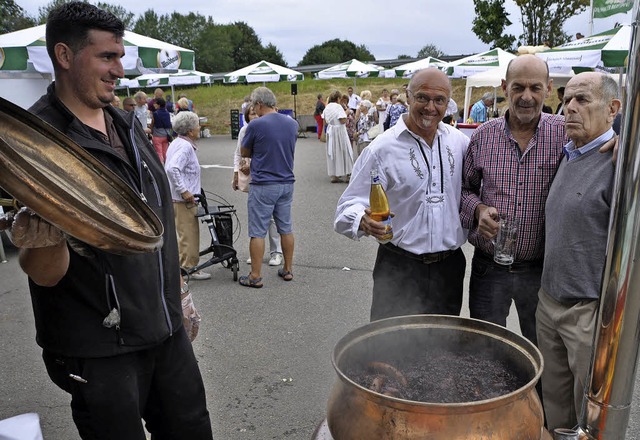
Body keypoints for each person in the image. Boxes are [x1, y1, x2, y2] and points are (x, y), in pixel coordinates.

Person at [0, 3, 213, 438]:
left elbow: (155, 219)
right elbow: (45, 275)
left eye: (120, 56)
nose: (120, 69)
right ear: (64, 55)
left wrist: (179, 291)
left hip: (166, 328)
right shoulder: (38, 145)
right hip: (100, 348)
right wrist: (44, 240)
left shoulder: (127, 121)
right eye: (107, 57)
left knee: (192, 430)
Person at [334, 68, 469, 321]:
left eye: (439, 100)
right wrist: (362, 220)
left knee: (443, 348)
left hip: (449, 269)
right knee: (389, 350)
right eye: (422, 98)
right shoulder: (381, 149)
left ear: (448, 104)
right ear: (408, 97)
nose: (430, 107)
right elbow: (347, 206)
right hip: (399, 268)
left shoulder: (460, 143)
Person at [460, 55, 565, 346]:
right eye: (518, 87)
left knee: (541, 352)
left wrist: (615, 140)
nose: (526, 96)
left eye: (535, 87)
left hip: (540, 270)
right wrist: (478, 209)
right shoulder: (483, 136)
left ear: (548, 87)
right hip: (489, 268)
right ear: (505, 87)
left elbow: (599, 142)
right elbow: (463, 190)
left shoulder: (565, 132)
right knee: (484, 351)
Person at [536, 72, 620, 432]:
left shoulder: (620, 163)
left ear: (613, 109)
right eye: (567, 98)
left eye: (583, 100)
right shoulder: (569, 153)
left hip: (587, 312)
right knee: (555, 405)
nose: (569, 107)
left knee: (591, 416)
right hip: (549, 302)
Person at [239, 86, 298, 288]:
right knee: (285, 228)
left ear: (259, 104)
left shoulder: (256, 125)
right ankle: (288, 269)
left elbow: (244, 151)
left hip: (264, 183)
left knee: (257, 231)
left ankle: (255, 275)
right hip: (286, 181)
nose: (253, 110)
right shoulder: (292, 123)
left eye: (254, 106)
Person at [232, 105, 284, 267]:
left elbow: (269, 154)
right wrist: (236, 172)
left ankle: (276, 252)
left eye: (256, 113)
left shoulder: (268, 129)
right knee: (256, 215)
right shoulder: (244, 131)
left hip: (268, 175)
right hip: (252, 177)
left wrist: (252, 164)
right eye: (251, 114)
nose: (254, 116)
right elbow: (239, 153)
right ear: (246, 116)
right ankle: (256, 253)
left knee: (272, 216)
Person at [165, 111, 210, 281]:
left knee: (184, 234)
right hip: (183, 199)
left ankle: (185, 266)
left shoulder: (177, 142)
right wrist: (184, 190)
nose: (200, 128)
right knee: (189, 235)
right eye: (197, 125)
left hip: (178, 198)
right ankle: (189, 269)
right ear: (190, 131)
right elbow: (172, 168)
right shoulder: (184, 147)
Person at [322, 90, 354, 183]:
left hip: (331, 131)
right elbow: (342, 120)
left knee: (333, 152)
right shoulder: (338, 107)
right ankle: (348, 173)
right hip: (339, 131)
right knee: (345, 151)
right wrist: (347, 112)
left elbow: (324, 121)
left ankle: (334, 175)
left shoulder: (327, 107)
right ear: (338, 98)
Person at [150, 96, 173, 163]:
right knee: (165, 151)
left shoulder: (155, 113)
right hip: (166, 135)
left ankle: (161, 166)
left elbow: (152, 124)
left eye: (155, 103)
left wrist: (150, 130)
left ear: (159, 105)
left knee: (158, 152)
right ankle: (167, 163)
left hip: (157, 135)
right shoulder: (167, 113)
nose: (154, 105)